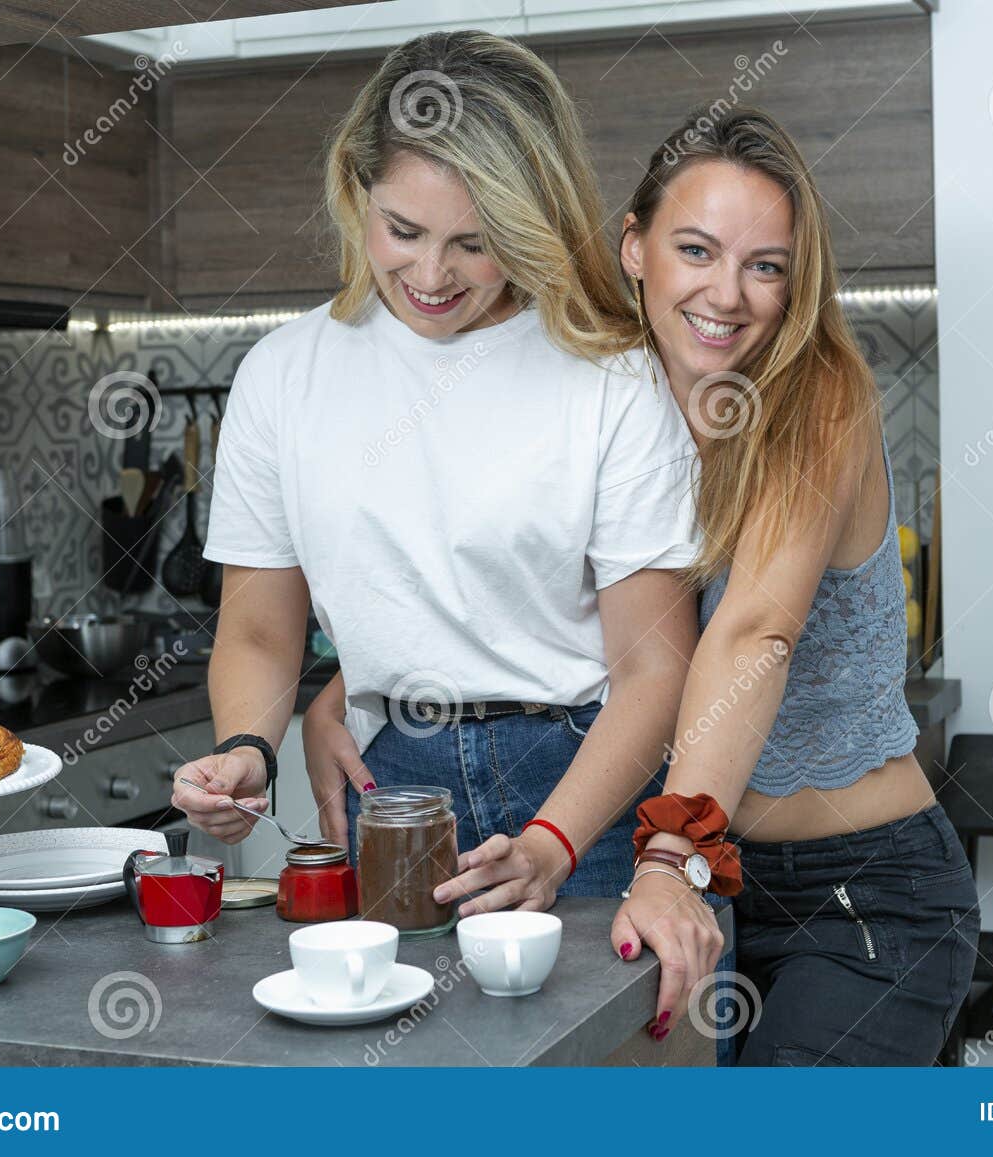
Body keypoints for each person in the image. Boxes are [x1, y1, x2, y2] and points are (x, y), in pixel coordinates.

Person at [171, 31, 700, 918]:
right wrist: (247, 751)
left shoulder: (613, 375)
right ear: (357, 192)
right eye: (402, 230)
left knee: (603, 1056)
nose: (429, 273)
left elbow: (655, 667)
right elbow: (262, 631)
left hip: (589, 789)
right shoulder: (283, 372)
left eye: (475, 241)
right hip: (391, 785)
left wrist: (553, 841)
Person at [608, 107, 979, 1065]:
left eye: (765, 265)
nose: (727, 293)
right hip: (704, 893)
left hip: (862, 895)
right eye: (696, 249)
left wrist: (669, 857)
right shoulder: (613, 400)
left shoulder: (818, 394)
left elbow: (756, 631)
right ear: (634, 249)